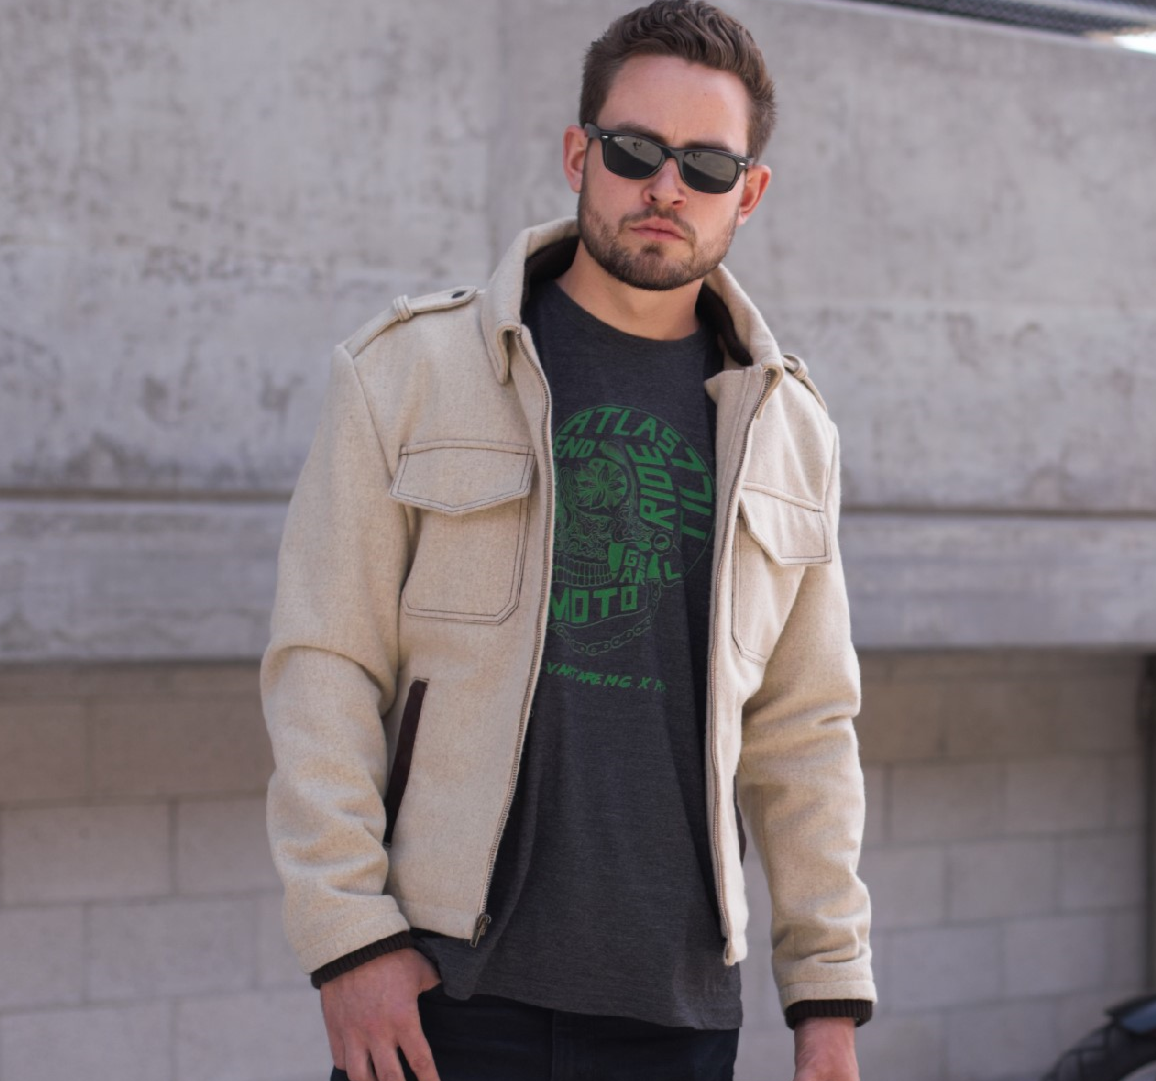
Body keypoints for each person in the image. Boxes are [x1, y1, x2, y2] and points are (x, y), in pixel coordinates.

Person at [260, 4, 872, 1078]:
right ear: (579, 154)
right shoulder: (408, 373)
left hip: (677, 1012)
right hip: (443, 993)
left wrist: (826, 996)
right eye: (634, 150)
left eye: (707, 164)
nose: (666, 186)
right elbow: (324, 660)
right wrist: (348, 935)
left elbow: (806, 728)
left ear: (749, 192)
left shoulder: (789, 429)